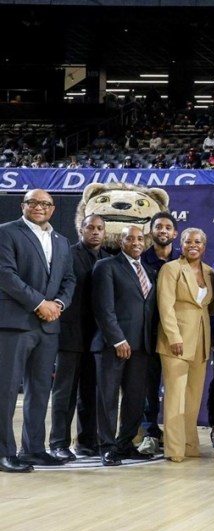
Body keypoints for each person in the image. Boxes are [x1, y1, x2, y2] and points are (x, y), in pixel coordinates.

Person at [0, 190, 75, 473]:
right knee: (6, 390)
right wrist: (39, 303)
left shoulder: (62, 241)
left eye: (45, 203)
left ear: (53, 209)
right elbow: (5, 275)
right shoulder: (6, 232)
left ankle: (33, 449)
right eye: (32, 202)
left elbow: (69, 279)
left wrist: (58, 304)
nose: (39, 207)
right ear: (23, 205)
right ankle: (3, 452)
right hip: (15, 323)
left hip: (48, 325)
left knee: (40, 390)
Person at [92, 225, 158, 466]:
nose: (136, 242)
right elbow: (104, 308)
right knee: (107, 398)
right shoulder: (106, 266)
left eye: (140, 238)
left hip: (142, 346)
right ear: (121, 242)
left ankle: (125, 444)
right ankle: (107, 447)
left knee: (135, 399)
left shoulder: (150, 271)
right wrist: (118, 339)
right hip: (113, 345)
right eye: (130, 238)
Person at [49, 213, 109, 462]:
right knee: (65, 393)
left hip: (97, 337)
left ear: (105, 232)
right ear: (81, 230)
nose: (95, 231)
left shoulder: (108, 258)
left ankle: (87, 442)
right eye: (90, 227)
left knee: (91, 392)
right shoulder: (67, 255)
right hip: (70, 334)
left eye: (99, 228)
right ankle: (58, 443)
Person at [156, 227, 214, 462]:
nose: (193, 245)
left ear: (204, 246)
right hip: (176, 342)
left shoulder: (210, 272)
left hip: (201, 341)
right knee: (175, 397)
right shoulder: (171, 269)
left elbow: (212, 306)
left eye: (198, 242)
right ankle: (174, 449)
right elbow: (165, 305)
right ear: (181, 244)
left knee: (193, 398)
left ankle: (190, 445)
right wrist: (174, 337)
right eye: (188, 241)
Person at [138, 211, 181, 455]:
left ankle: (178, 435)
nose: (163, 230)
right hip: (148, 332)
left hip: (178, 334)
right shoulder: (140, 260)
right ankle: (150, 434)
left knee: (178, 387)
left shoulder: (184, 261)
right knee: (148, 387)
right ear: (151, 232)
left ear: (175, 233)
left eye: (167, 227)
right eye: (158, 227)